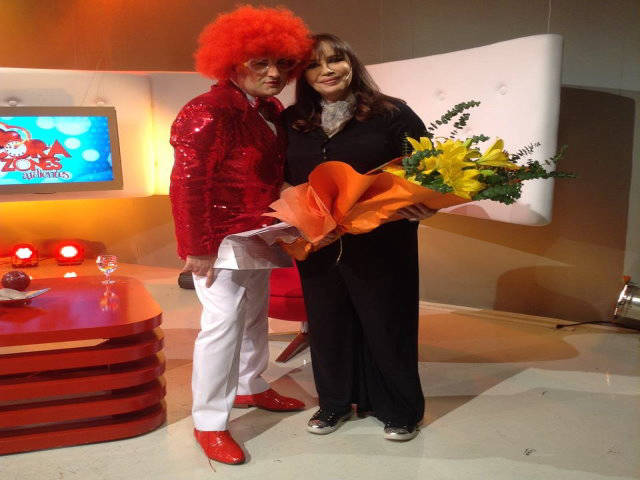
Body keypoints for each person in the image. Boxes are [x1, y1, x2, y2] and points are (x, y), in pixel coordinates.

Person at [169, 6, 311, 464]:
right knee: (223, 324)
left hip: (259, 231)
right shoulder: (207, 110)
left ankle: (251, 385)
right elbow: (188, 183)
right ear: (230, 62)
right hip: (221, 238)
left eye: (283, 63)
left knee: (252, 317)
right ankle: (210, 421)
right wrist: (196, 247)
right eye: (260, 63)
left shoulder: (269, 109)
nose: (275, 74)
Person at [283, 33, 436, 441]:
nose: (326, 70)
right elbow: (281, 176)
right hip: (319, 241)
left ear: (351, 63)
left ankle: (399, 408)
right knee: (327, 323)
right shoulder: (293, 120)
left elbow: (428, 167)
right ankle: (334, 403)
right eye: (314, 65)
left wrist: (427, 202)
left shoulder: (391, 113)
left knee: (387, 323)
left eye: (335, 59)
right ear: (302, 75)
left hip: (383, 240)